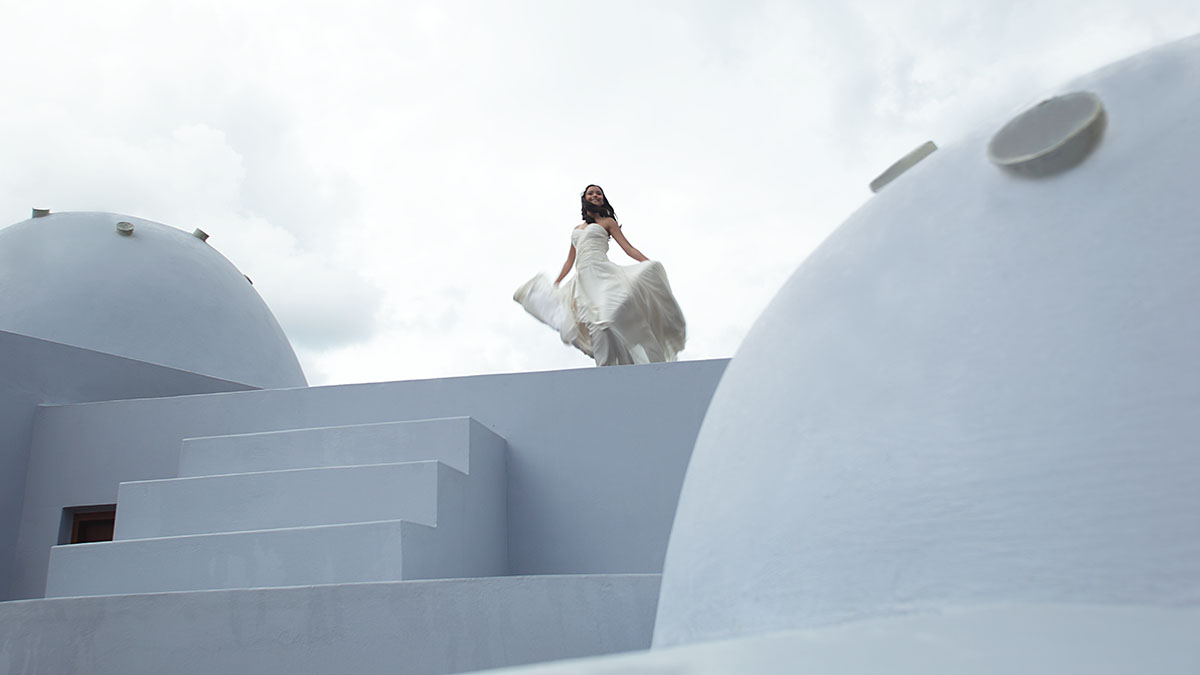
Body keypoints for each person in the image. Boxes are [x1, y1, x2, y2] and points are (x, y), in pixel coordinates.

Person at [514, 184, 686, 366]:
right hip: (583, 280)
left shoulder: (608, 222)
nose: (595, 195)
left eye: (599, 193)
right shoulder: (577, 229)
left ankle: (628, 359)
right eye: (591, 193)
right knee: (594, 325)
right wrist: (556, 283)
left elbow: (628, 248)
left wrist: (647, 262)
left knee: (607, 318)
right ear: (585, 198)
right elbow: (569, 261)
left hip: (603, 274)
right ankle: (606, 367)